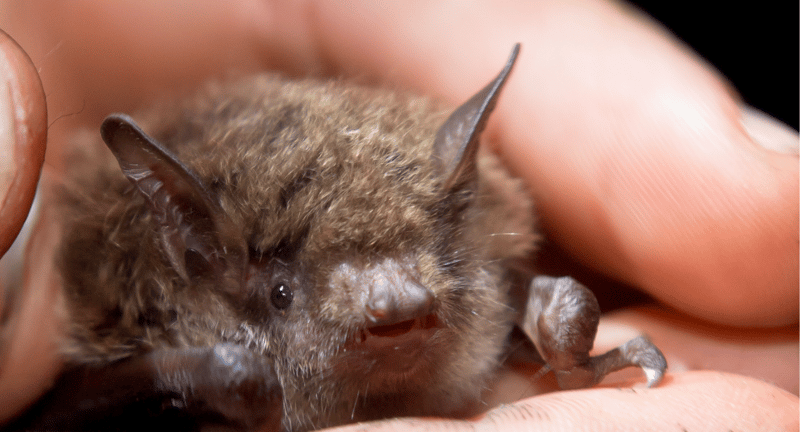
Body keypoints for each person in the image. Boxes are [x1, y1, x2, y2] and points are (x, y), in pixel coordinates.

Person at [0, 1, 797, 430]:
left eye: (431, 263)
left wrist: (562, 338)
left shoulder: (482, 290)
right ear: (207, 259)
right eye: (286, 290)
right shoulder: (210, 353)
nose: (394, 302)